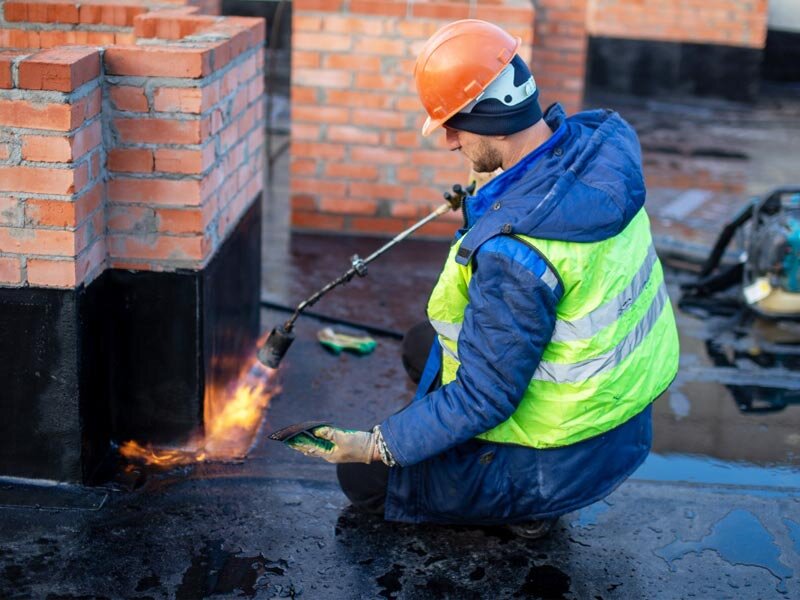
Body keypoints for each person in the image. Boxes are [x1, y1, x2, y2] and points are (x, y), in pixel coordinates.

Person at [285, 19, 680, 536]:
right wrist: (493, 196)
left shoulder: (517, 250)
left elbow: (484, 397)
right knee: (420, 343)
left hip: (559, 460)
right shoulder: (594, 154)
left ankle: (529, 510)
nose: (448, 141)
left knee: (359, 479)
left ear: (492, 116)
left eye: (453, 124)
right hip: (623, 422)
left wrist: (377, 444)